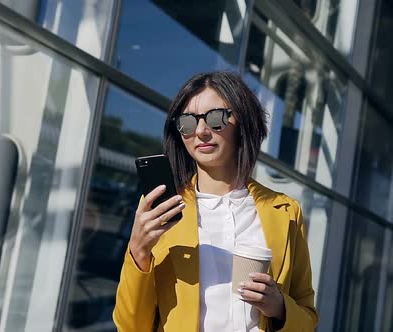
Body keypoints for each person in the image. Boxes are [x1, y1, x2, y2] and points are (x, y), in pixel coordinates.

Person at [113, 72, 318, 331]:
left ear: (243, 122)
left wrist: (278, 307)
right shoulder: (163, 209)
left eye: (216, 118)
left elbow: (308, 316)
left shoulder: (285, 211)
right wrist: (138, 251)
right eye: (187, 122)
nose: (200, 131)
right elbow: (130, 326)